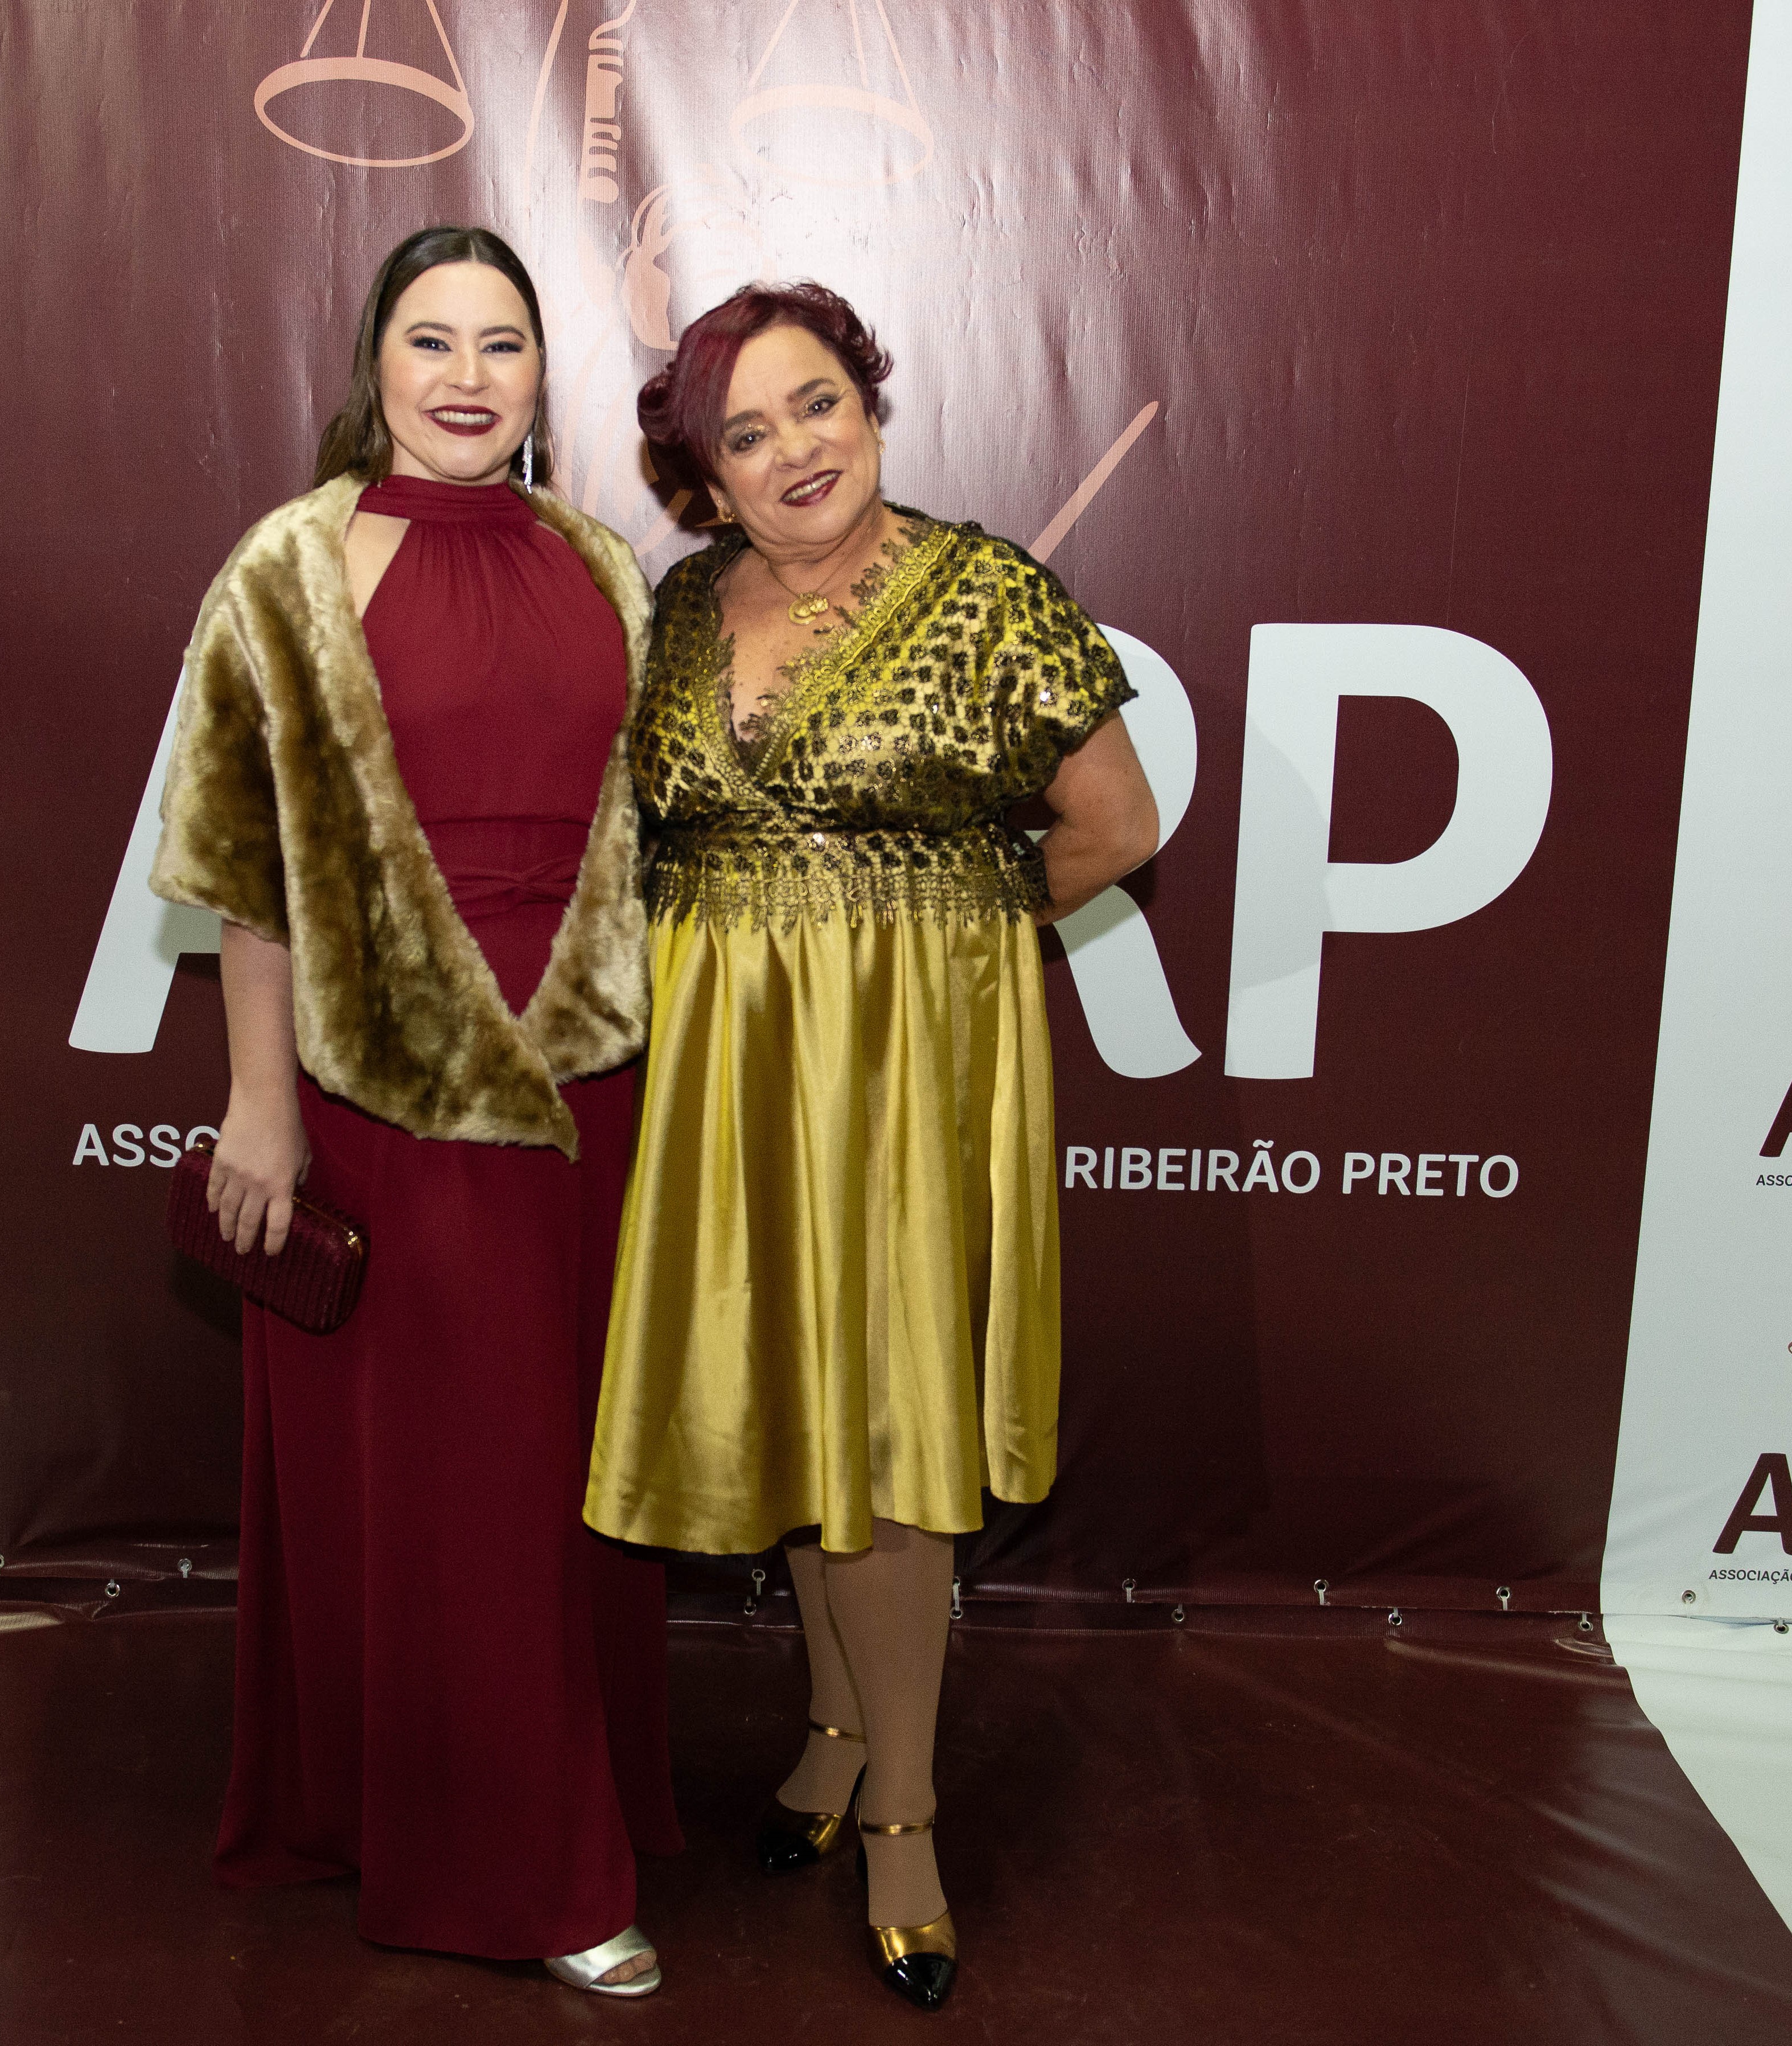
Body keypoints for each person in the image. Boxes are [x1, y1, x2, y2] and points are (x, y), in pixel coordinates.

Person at [583, 281, 1160, 2012]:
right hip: (726, 1070)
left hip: (906, 1077)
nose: (795, 452)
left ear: (873, 402)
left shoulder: (988, 592)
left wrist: (940, 949)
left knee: (887, 1440)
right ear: (705, 479)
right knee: (790, 1407)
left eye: (818, 402)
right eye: (746, 434)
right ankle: (834, 1730)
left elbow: (1115, 825)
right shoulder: (680, 610)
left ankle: (904, 1818)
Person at [148, 225, 681, 1998]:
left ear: (541, 377)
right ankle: (527, 1871)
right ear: (374, 360)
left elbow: (647, 842)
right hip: (393, 1089)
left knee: (562, 1482)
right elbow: (245, 868)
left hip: (591, 1084)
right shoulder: (289, 564)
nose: (466, 376)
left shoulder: (600, 564)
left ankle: (492, 1798)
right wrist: (259, 1102)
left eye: (501, 343)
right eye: (430, 338)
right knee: (461, 1489)